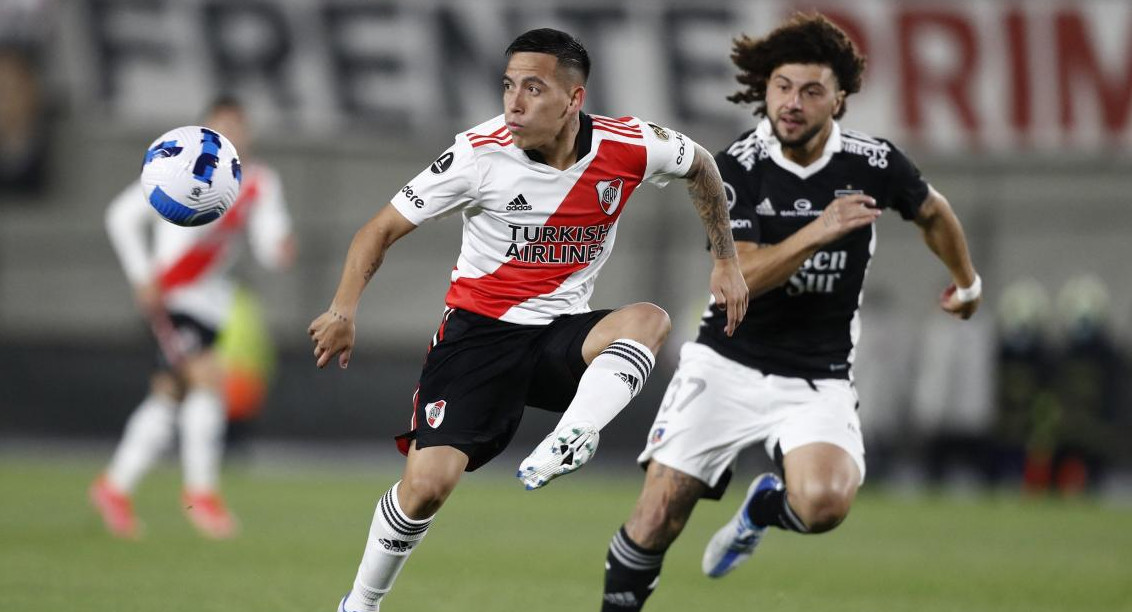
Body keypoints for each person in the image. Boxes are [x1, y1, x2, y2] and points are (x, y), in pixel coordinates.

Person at [307, 28, 747, 612]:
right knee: (427, 489)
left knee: (650, 319)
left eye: (532, 89)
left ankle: (576, 434)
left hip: (560, 335)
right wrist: (343, 308)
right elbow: (378, 230)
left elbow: (703, 166)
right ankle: (359, 604)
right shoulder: (477, 154)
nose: (513, 103)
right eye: (508, 87)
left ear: (574, 99)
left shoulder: (631, 146)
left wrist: (726, 260)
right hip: (478, 337)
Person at [597, 13, 982, 610]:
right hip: (726, 363)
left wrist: (967, 281)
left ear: (839, 99)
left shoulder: (873, 163)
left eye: (811, 90)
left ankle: (761, 511)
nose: (792, 102)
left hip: (816, 374)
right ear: (765, 89)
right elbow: (738, 278)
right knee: (654, 519)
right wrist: (818, 230)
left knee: (825, 505)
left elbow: (932, 211)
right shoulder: (736, 169)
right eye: (782, 87)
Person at [91, 95, 296, 539]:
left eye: (238, 126)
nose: (232, 135)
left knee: (170, 395)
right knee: (209, 381)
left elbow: (268, 240)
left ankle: (114, 486)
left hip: (210, 302)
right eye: (222, 125)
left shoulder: (258, 181)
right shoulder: (180, 161)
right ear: (206, 127)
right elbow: (122, 216)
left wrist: (279, 248)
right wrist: (141, 274)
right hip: (172, 294)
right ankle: (202, 495)